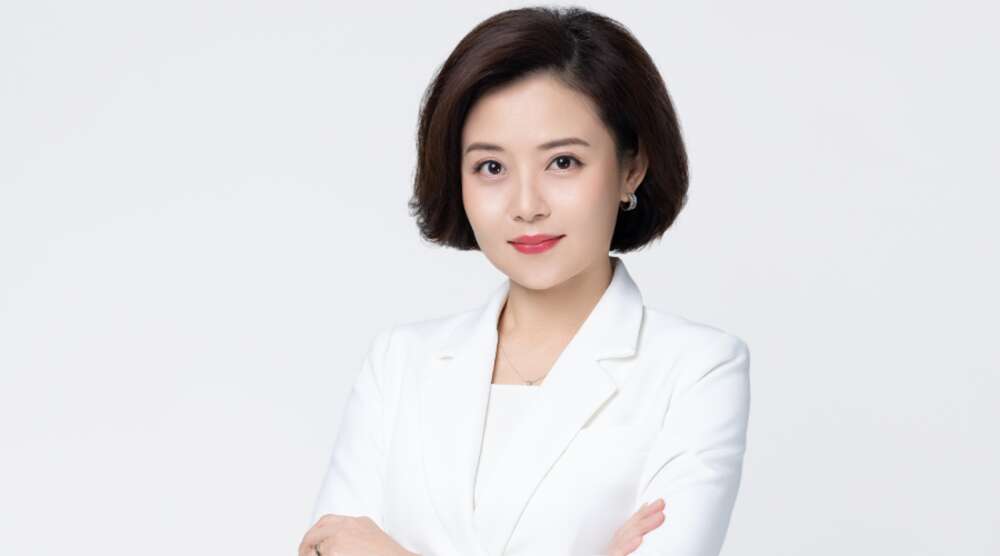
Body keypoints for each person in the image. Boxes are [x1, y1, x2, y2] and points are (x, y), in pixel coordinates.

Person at [300, 6, 750, 556]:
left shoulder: (696, 369)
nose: (526, 205)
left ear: (630, 168)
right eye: (491, 167)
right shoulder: (399, 364)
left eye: (562, 162)